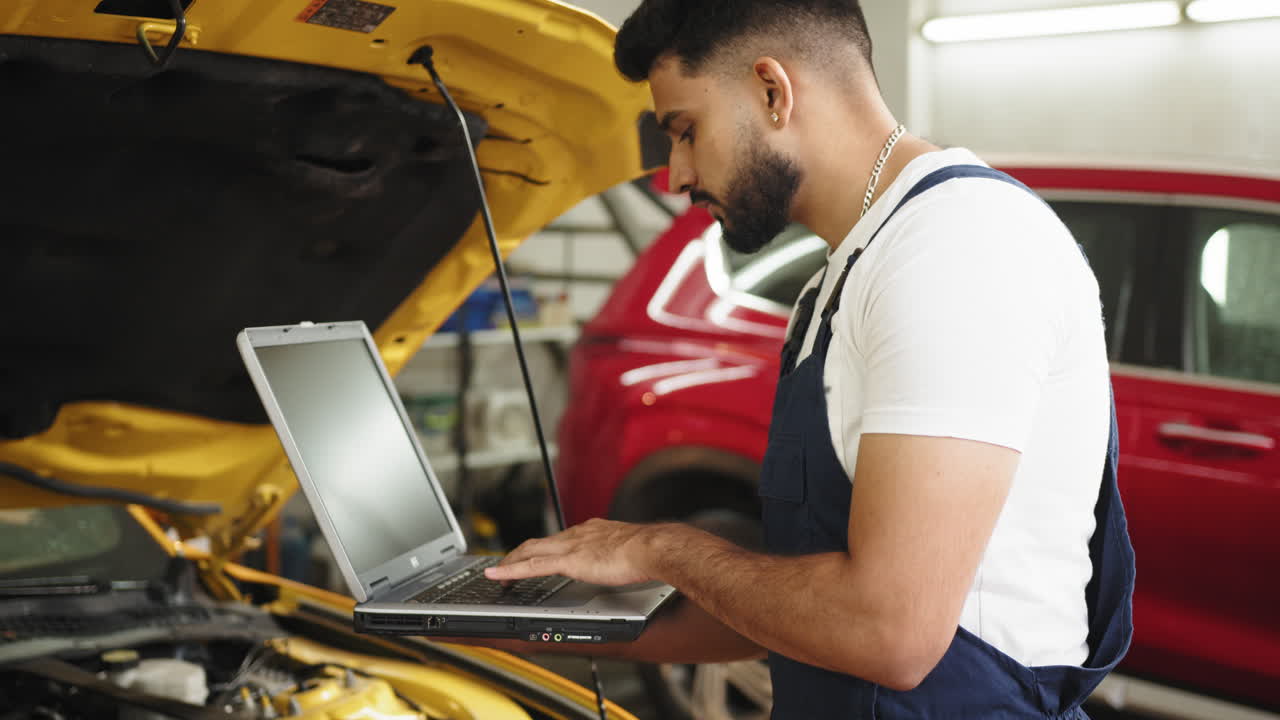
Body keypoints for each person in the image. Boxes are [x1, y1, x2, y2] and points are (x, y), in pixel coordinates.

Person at [468, 1, 1136, 716]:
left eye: (685, 131)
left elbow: (889, 633)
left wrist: (661, 551)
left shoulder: (958, 248)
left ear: (771, 92)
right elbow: (797, 611)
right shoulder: (842, 276)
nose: (676, 176)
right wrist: (533, 627)